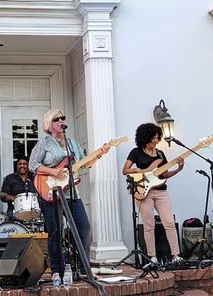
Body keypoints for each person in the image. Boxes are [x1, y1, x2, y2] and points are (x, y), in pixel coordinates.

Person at [29, 108, 110, 275]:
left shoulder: (72, 142)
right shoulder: (44, 143)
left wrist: (100, 153)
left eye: (62, 118)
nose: (60, 121)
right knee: (56, 232)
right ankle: (57, 271)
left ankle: (82, 268)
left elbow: (85, 164)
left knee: (84, 229)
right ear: (49, 124)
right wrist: (53, 172)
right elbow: (32, 165)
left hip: (71, 193)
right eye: (56, 119)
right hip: (51, 192)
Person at [122, 123, 184, 264]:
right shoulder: (136, 152)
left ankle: (176, 255)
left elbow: (165, 173)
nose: (157, 140)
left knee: (169, 222)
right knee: (149, 225)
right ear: (146, 138)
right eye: (154, 138)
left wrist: (179, 169)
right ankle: (152, 257)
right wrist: (137, 171)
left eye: (158, 138)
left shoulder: (160, 154)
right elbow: (125, 170)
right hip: (144, 192)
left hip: (161, 191)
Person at [1, 155, 37, 221]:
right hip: (14, 210)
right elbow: (3, 196)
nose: (22, 166)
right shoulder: (9, 178)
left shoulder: (34, 178)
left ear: (28, 166)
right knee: (11, 216)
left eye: (25, 164)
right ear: (17, 166)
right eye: (19, 164)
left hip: (33, 209)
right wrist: (17, 199)